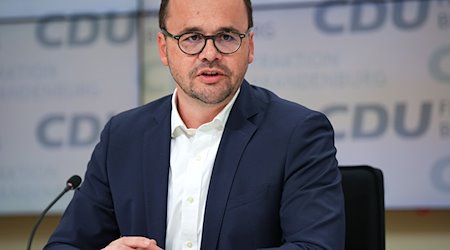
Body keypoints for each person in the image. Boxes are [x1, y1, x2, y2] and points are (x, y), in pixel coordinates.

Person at [45, 0, 345, 249]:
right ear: (163, 48)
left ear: (250, 46)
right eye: (191, 38)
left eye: (227, 36)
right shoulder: (123, 136)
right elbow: (66, 245)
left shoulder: (297, 132)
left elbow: (315, 246)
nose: (210, 53)